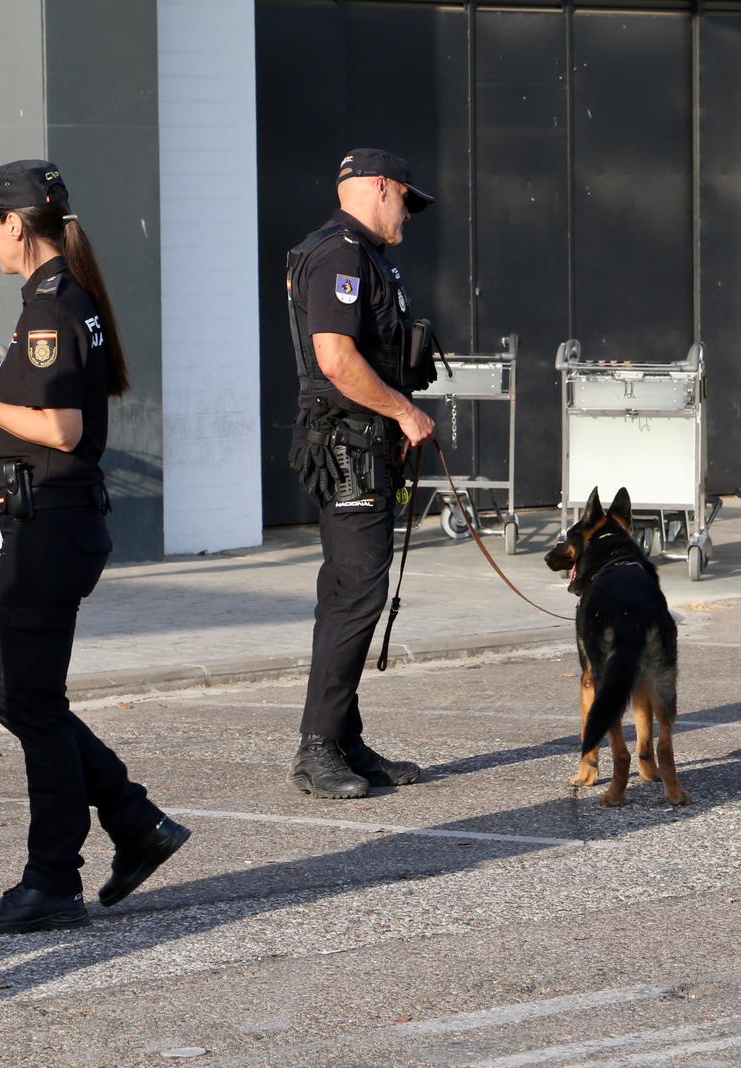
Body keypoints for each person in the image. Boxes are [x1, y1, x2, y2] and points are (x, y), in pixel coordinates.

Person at [0, 160, 190, 931]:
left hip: (49, 521)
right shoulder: (67, 300)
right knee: (24, 696)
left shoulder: (49, 310)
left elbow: (60, 431)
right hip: (54, 520)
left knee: (24, 698)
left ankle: (55, 879)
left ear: (14, 224)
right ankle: (133, 824)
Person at [284, 148, 438, 799]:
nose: (409, 211)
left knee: (347, 594)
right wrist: (404, 412)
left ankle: (343, 740)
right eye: (406, 197)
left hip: (365, 445)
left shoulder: (364, 255)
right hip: (348, 448)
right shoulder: (339, 254)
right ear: (381, 186)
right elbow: (336, 359)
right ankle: (317, 750)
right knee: (357, 594)